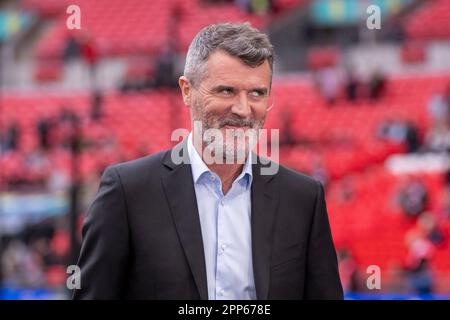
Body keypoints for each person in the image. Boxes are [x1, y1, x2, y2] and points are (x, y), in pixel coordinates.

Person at [73, 23, 343, 300]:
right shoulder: (127, 192)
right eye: (226, 91)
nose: (242, 109)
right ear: (187, 91)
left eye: (257, 93)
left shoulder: (302, 198)